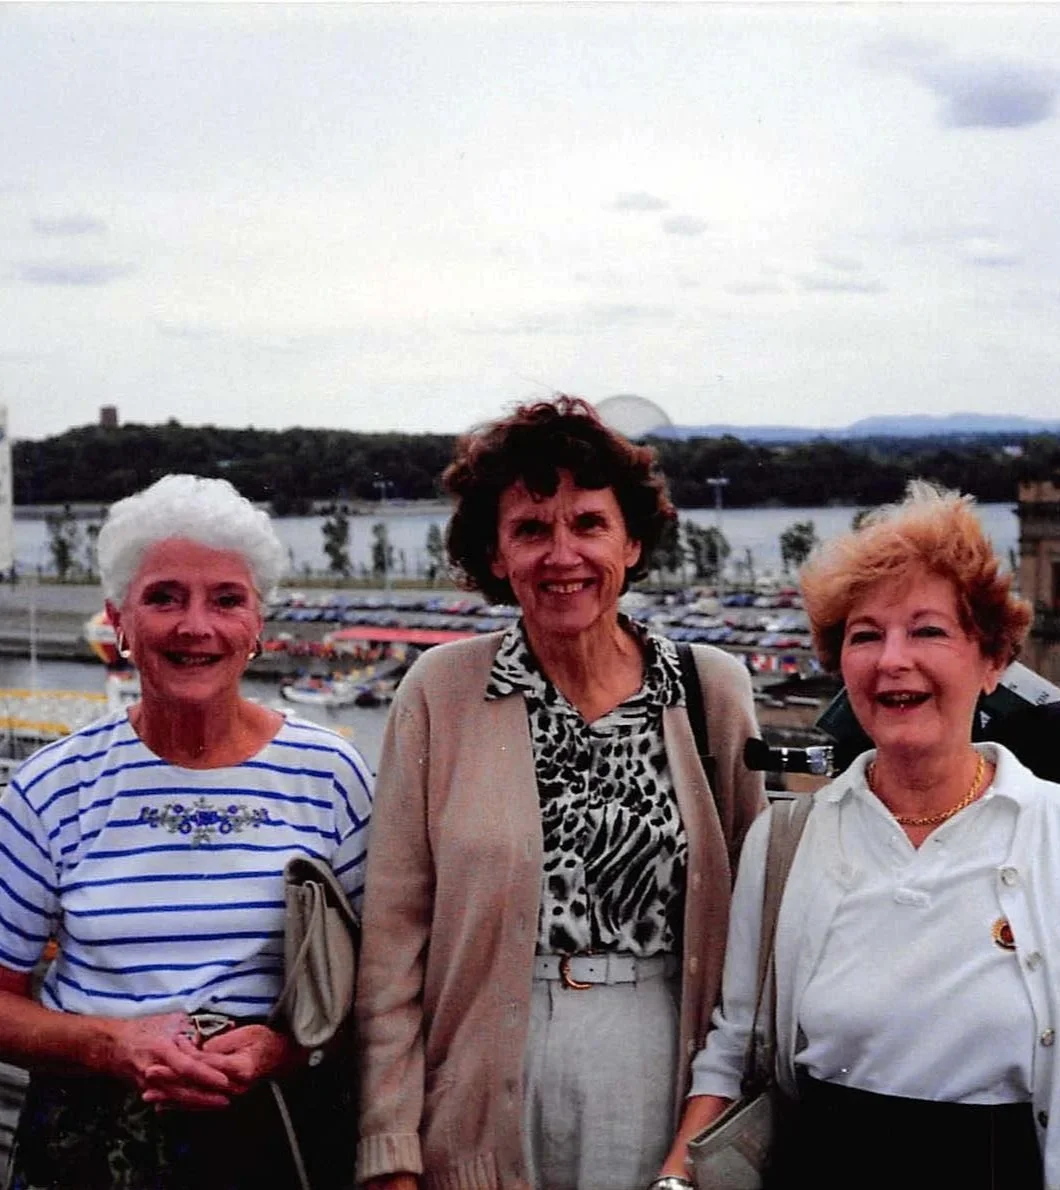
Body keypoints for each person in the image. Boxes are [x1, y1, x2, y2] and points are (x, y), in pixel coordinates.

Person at [659, 480, 1060, 1190]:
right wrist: (674, 1180)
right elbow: (733, 1047)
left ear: (993, 660)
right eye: (865, 635)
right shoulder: (786, 839)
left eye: (928, 630)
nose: (892, 659)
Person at [355, 396, 765, 1190]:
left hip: (662, 1062)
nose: (562, 553)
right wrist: (389, 1151)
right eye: (531, 529)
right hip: (482, 1074)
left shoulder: (710, 689)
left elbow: (754, 927)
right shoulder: (441, 691)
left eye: (588, 523)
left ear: (634, 541)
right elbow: (393, 946)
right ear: (496, 555)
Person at [0, 475, 373, 1190]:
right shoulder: (52, 786)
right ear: (120, 623)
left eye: (226, 599)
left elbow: (380, 981)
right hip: (91, 1149)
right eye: (164, 597)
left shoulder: (329, 773)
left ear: (259, 625)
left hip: (274, 1136)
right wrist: (113, 1046)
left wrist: (282, 1048)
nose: (195, 626)